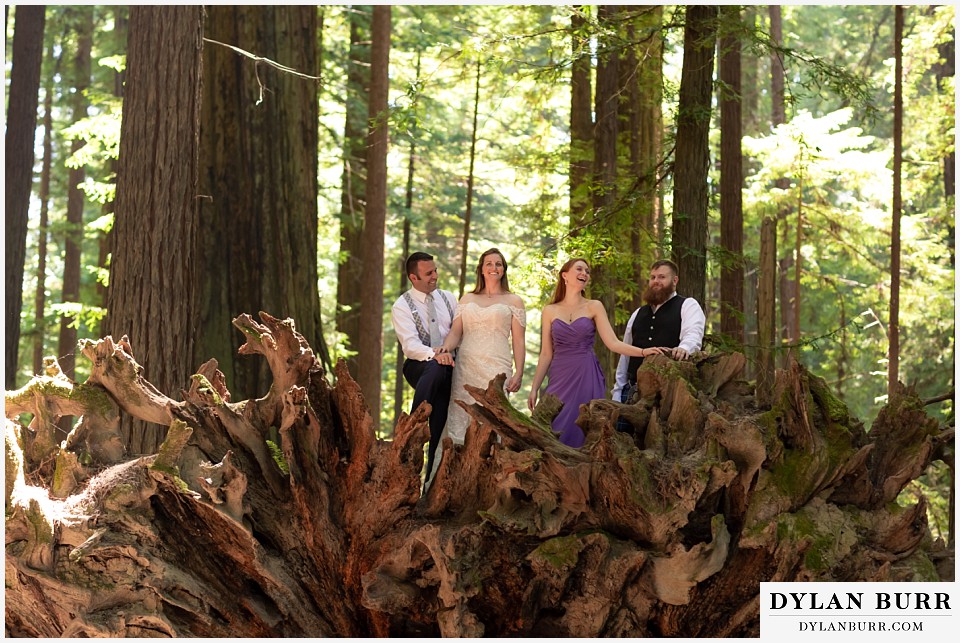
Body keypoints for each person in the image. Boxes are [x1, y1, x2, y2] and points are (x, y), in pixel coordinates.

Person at [527, 258, 663, 447]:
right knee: (556, 420)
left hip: (586, 372)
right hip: (559, 374)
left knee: (583, 422)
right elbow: (546, 354)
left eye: (587, 271)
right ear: (565, 275)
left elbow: (613, 343)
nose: (584, 274)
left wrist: (642, 351)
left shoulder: (594, 306)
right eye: (579, 269)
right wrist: (534, 388)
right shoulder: (550, 310)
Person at [436, 248, 526, 455]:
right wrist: (445, 347)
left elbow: (519, 341)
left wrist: (519, 373)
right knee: (460, 416)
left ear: (503, 270)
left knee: (493, 419)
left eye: (498, 264)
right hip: (466, 366)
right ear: (482, 269)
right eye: (489, 264)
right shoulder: (467, 299)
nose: (494, 268)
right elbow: (455, 333)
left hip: (496, 366)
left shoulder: (514, 301)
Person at [391, 251, 459, 484]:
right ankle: (414, 424)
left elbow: (459, 333)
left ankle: (429, 483)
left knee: (440, 419)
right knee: (435, 369)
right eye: (429, 273)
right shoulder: (402, 306)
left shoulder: (449, 298)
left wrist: (447, 356)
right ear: (413, 277)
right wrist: (435, 355)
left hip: (449, 367)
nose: (435, 276)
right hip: (419, 366)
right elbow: (410, 346)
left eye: (435, 270)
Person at [611, 260, 706, 419]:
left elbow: (693, 334)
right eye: (653, 277)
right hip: (633, 392)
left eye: (662, 277)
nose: (656, 281)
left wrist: (685, 348)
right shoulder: (638, 313)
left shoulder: (687, 305)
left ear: (674, 280)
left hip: (669, 394)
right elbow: (625, 353)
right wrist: (618, 391)